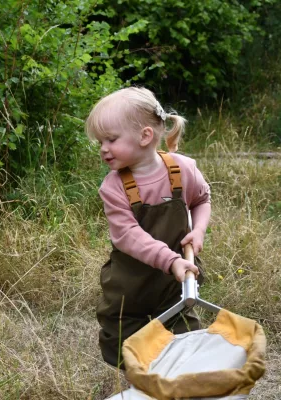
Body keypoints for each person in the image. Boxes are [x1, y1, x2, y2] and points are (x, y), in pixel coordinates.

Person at [86, 87, 211, 368]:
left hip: (174, 281)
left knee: (184, 336)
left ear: (145, 136)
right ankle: (139, 379)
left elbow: (202, 199)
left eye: (111, 139)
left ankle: (180, 381)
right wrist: (171, 260)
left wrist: (199, 230)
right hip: (130, 281)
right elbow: (128, 236)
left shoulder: (183, 169)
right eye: (100, 142)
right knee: (120, 336)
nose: (104, 148)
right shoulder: (114, 187)